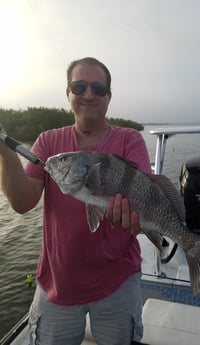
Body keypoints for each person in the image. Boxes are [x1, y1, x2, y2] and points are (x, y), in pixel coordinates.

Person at [0, 57, 151, 345]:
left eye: (98, 88)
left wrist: (137, 220)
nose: (88, 95)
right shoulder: (47, 142)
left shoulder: (130, 140)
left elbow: (143, 197)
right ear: (67, 93)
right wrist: (6, 152)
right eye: (79, 86)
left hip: (118, 284)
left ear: (109, 95)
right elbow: (22, 203)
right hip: (57, 286)